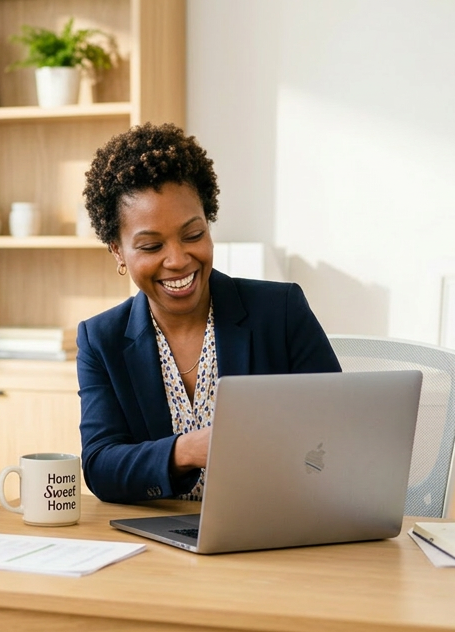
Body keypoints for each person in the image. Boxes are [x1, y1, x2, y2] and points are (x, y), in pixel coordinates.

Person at [76, 123, 342, 504]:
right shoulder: (101, 339)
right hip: (162, 542)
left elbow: (337, 431)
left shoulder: (280, 312)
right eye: (151, 246)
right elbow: (101, 465)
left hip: (273, 528)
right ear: (118, 250)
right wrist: (187, 450)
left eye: (193, 235)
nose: (178, 260)